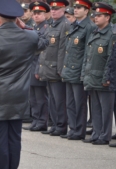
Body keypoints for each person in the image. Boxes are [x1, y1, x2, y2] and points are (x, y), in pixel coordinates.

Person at [0, 0, 40, 168]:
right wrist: (25, 26)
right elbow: (45, 41)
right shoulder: (30, 36)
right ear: (17, 18)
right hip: (19, 95)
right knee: (14, 139)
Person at [81, 2, 116, 145]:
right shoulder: (95, 33)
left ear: (107, 18)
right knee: (95, 107)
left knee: (105, 109)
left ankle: (105, 135)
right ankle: (96, 133)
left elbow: (111, 58)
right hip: (92, 76)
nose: (95, 18)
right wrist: (84, 74)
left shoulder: (111, 34)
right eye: (95, 15)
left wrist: (107, 77)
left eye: (99, 15)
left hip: (103, 77)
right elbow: (87, 56)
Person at [60, 0, 95, 140]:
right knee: (70, 103)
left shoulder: (89, 27)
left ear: (87, 11)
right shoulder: (73, 25)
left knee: (79, 103)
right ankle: (73, 129)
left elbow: (88, 52)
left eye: (79, 8)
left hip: (79, 70)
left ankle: (79, 130)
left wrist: (84, 73)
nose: (76, 10)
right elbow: (68, 50)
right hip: (69, 69)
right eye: (75, 7)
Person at [38, 0, 70, 136]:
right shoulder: (51, 24)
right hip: (48, 67)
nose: (53, 11)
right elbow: (45, 48)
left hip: (56, 68)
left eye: (57, 9)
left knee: (59, 99)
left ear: (63, 9)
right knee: (52, 99)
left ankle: (61, 125)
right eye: (52, 9)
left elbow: (63, 49)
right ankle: (56, 124)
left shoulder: (65, 25)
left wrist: (61, 68)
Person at [22, 1, 50, 132]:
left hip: (39, 65)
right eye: (34, 13)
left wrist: (39, 69)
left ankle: (42, 121)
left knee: (40, 98)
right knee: (32, 97)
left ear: (45, 14)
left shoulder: (47, 28)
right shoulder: (33, 27)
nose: (36, 16)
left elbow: (41, 48)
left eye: (39, 13)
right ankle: (35, 120)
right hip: (29, 65)